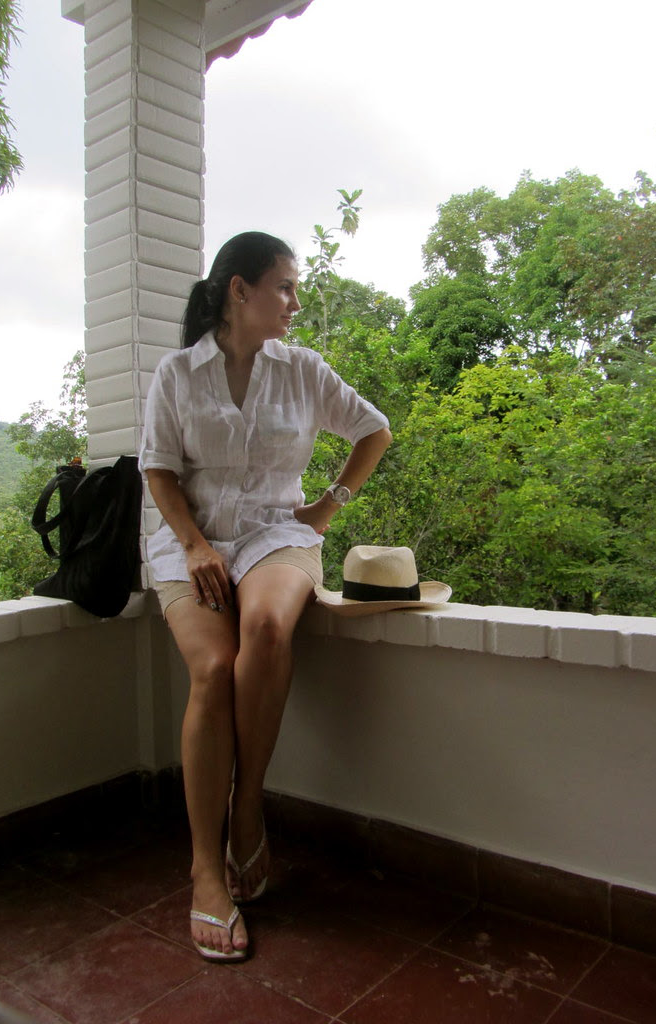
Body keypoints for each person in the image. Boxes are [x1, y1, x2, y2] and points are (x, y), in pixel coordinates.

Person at [139, 231, 392, 962]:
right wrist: (194, 545)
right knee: (214, 669)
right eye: (285, 286)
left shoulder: (303, 370)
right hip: (193, 541)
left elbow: (373, 431)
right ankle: (204, 869)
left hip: (279, 534)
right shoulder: (178, 374)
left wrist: (329, 506)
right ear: (239, 290)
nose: (295, 302)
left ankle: (246, 805)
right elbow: (158, 470)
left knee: (271, 629)